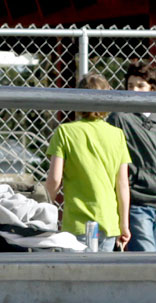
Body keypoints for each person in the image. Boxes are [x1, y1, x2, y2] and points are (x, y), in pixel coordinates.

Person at [45, 74, 132, 251]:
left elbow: (55, 179)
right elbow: (122, 184)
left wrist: (44, 210)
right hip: (108, 222)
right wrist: (124, 224)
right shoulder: (117, 135)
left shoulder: (65, 132)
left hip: (76, 222)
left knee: (75, 275)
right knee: (101, 275)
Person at [110, 60, 156, 252]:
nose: (135, 90)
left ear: (152, 88)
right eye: (130, 85)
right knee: (148, 260)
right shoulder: (120, 118)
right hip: (138, 203)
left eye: (141, 86)